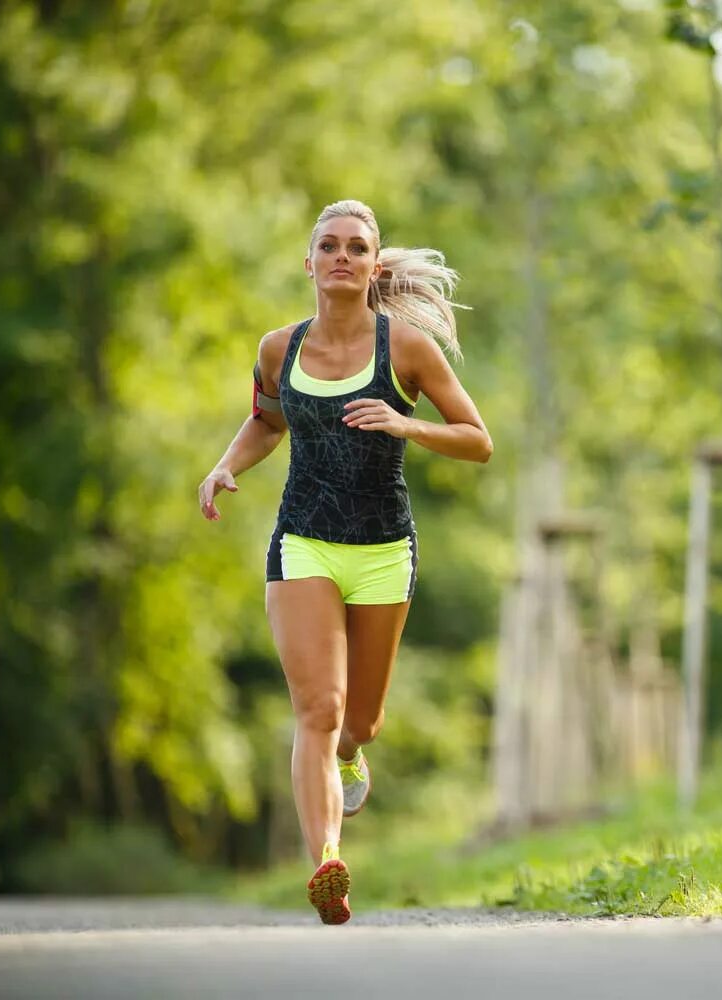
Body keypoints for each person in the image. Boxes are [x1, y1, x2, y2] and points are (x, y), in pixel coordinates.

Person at [198, 200, 492, 924]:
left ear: (373, 266)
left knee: (359, 719)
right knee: (317, 709)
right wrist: (225, 465)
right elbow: (267, 420)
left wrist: (405, 422)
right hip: (304, 539)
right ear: (309, 263)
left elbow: (477, 439)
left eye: (356, 248)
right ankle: (327, 861)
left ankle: (354, 753)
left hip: (385, 548)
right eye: (328, 245)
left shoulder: (407, 350)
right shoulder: (279, 349)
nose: (341, 256)